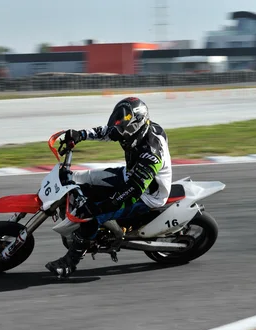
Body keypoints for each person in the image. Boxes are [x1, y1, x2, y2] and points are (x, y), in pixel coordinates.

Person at [45, 96, 173, 278]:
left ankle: (70, 262)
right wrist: (80, 135)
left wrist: (100, 207)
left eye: (122, 129)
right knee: (76, 178)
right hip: (129, 175)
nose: (118, 133)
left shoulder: (151, 152)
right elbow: (107, 131)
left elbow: (133, 191)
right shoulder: (133, 130)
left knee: (91, 215)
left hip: (146, 194)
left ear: (136, 124)